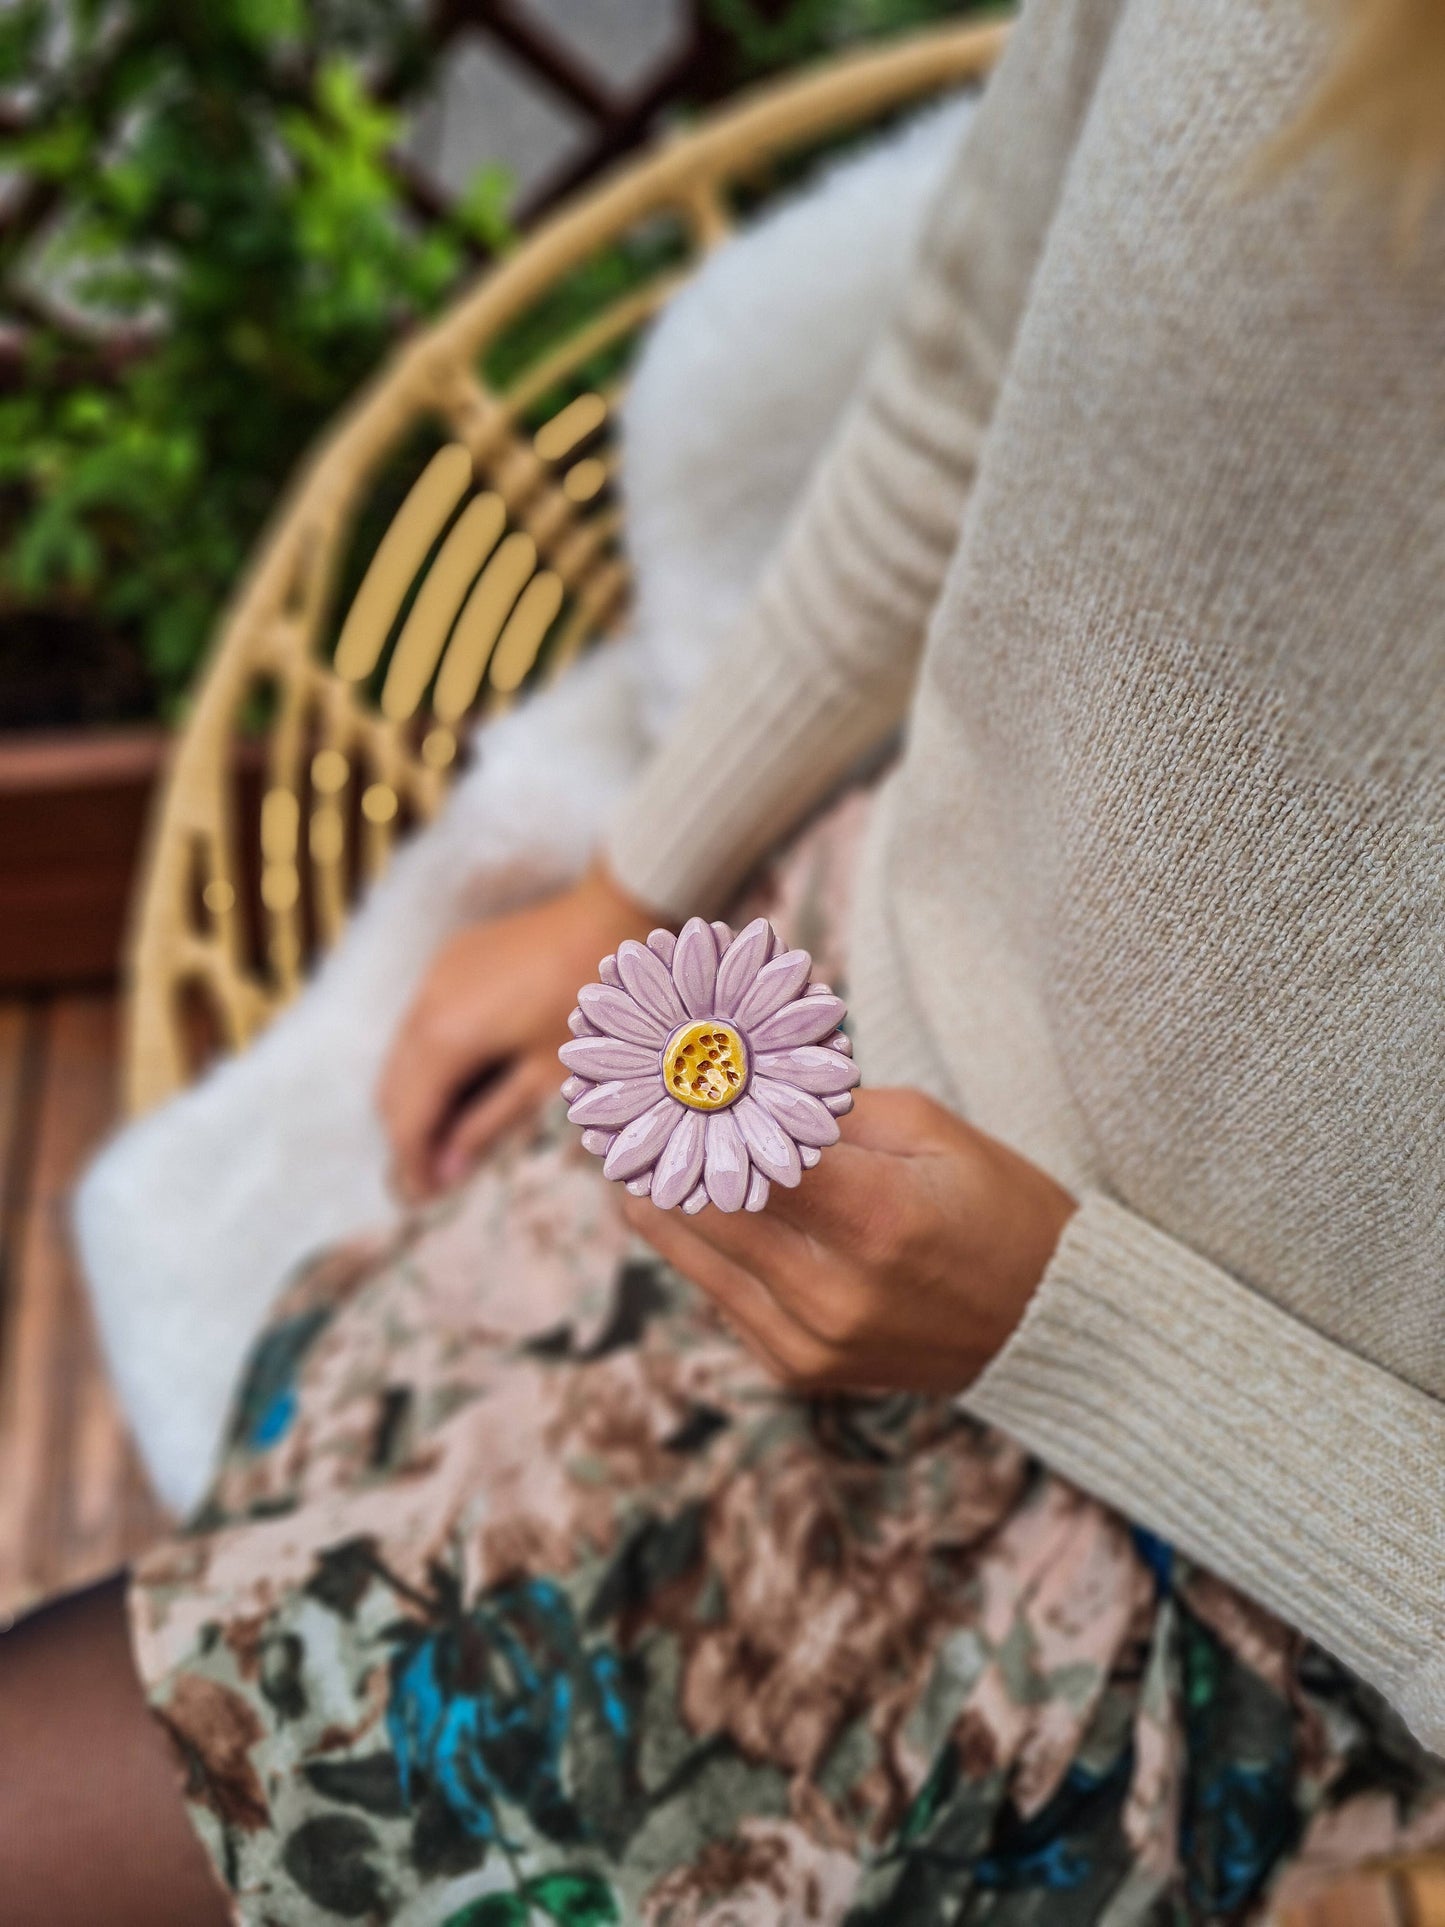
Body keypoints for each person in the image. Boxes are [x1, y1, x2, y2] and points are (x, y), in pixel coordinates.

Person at [3, 0, 1443, 1920]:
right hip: (825, 1030)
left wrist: (1063, 1330)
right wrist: (630, 878)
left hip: (1229, 1556)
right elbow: (963, 376)